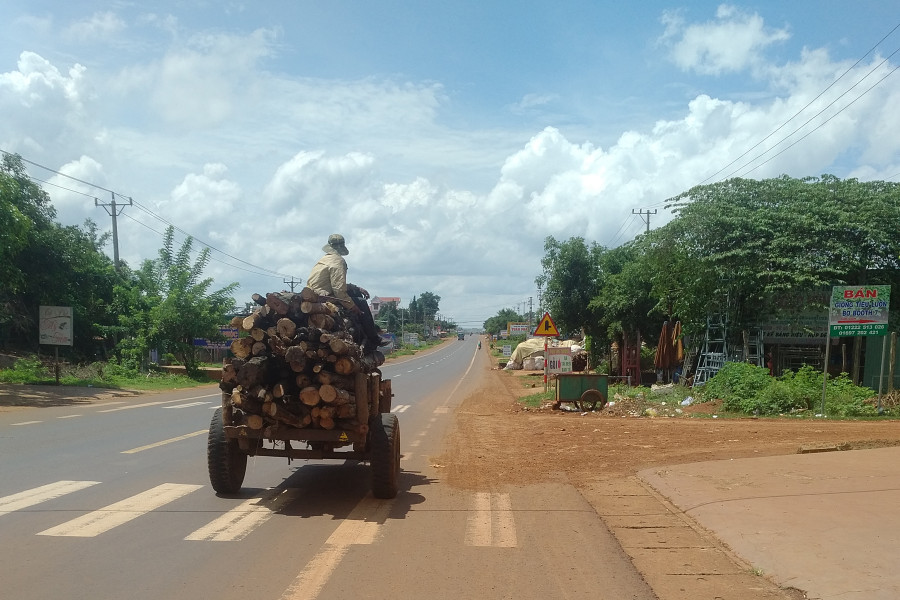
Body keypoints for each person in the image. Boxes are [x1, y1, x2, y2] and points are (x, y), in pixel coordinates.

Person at [307, 233, 383, 354]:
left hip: (313, 296)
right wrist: (353, 307)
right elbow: (339, 291)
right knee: (361, 301)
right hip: (324, 298)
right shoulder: (338, 261)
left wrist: (356, 288)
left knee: (355, 292)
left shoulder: (324, 260)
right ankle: (373, 338)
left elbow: (334, 285)